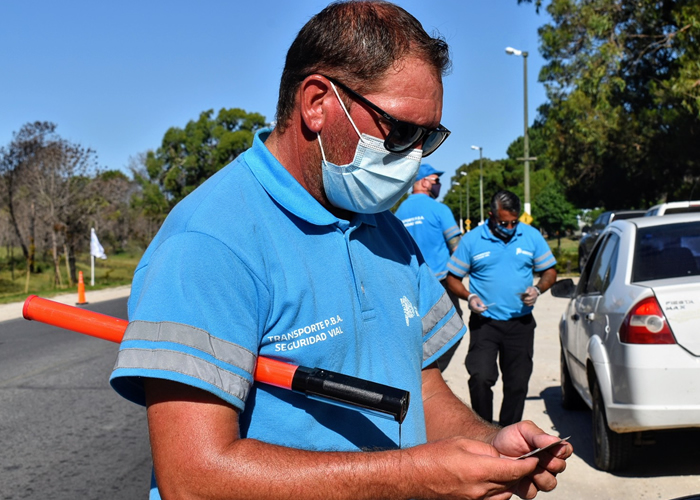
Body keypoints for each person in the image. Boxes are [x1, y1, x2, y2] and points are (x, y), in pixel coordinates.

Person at [110, 3, 571, 499]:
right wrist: (415, 475)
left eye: (428, 137)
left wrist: (487, 446)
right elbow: (193, 479)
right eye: (400, 132)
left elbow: (421, 389)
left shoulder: (386, 230)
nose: (414, 159)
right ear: (316, 102)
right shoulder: (211, 242)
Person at [446, 190, 558, 427]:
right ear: (491, 215)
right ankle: (484, 430)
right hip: (485, 323)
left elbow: (550, 271)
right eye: (503, 222)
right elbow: (452, 277)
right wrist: (469, 296)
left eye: (513, 222)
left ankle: (508, 432)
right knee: (480, 377)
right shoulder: (473, 240)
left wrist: (537, 289)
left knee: (517, 383)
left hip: (521, 324)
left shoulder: (530, 236)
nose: (509, 227)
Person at [395, 164, 463, 370]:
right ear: (424, 182)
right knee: (453, 330)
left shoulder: (398, 213)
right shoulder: (439, 209)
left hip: (408, 286)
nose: (439, 185)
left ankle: (417, 375)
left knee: (418, 336)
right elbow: (457, 248)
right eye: (436, 181)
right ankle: (432, 378)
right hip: (439, 284)